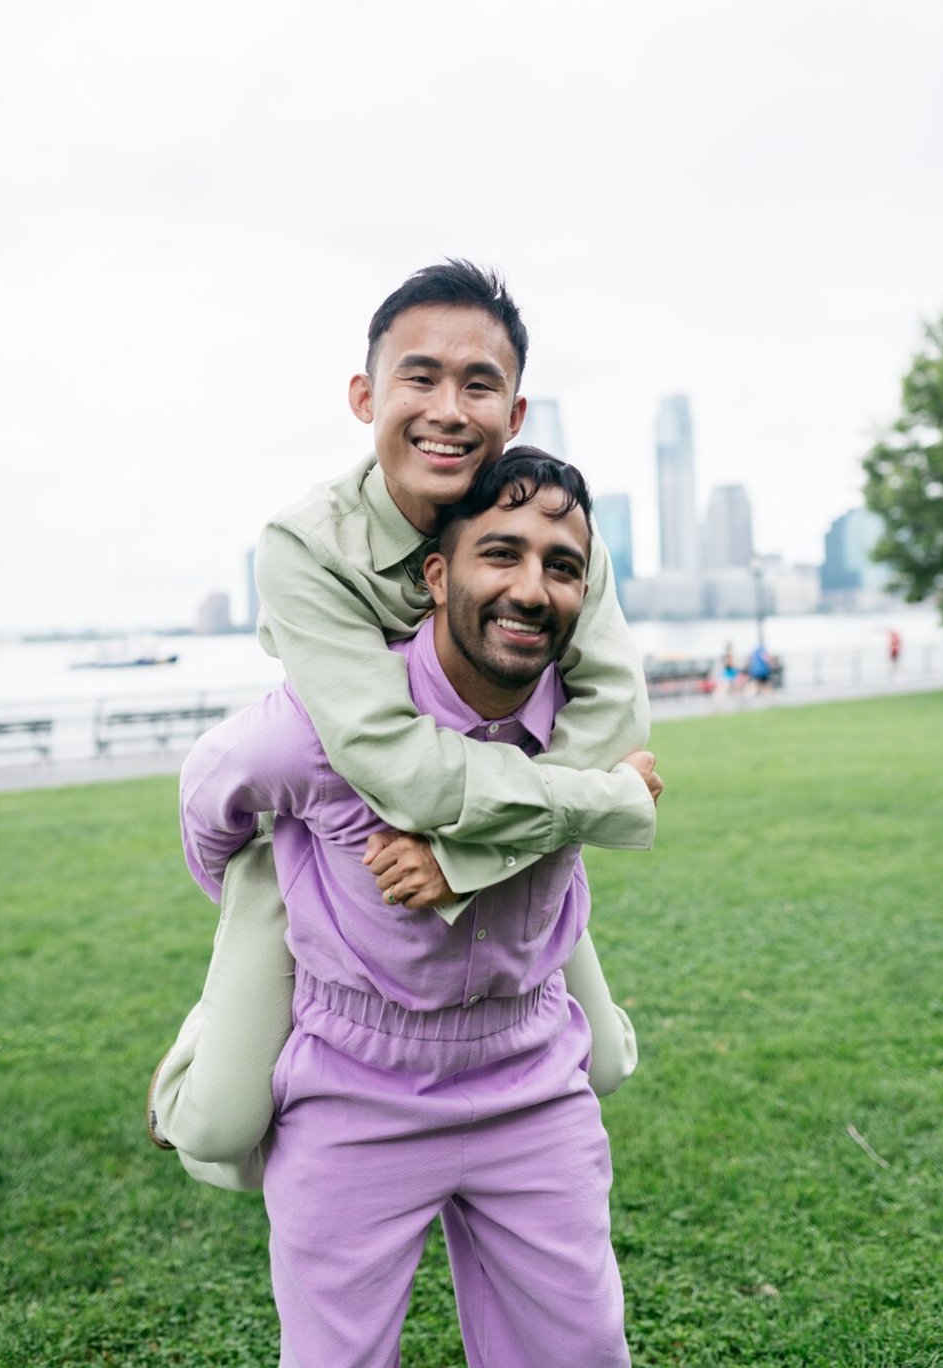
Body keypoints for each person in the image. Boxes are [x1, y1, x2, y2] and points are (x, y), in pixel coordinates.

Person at [149, 259, 657, 1182]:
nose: (450, 409)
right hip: (342, 846)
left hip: (512, 848)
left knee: (610, 1061)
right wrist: (600, 801)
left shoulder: (547, 517)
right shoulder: (308, 545)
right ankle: (200, 1045)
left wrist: (468, 859)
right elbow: (392, 762)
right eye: (419, 376)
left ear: (517, 411)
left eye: (480, 384)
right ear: (364, 394)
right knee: (218, 1131)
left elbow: (616, 708)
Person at [178, 450, 660, 1366]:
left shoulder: (585, 730)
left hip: (532, 1077)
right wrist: (264, 909)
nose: (530, 588)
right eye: (500, 554)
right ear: (436, 574)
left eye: (561, 567)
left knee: (582, 1353)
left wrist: (462, 856)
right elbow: (210, 805)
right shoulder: (320, 727)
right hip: (355, 1087)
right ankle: (199, 1054)